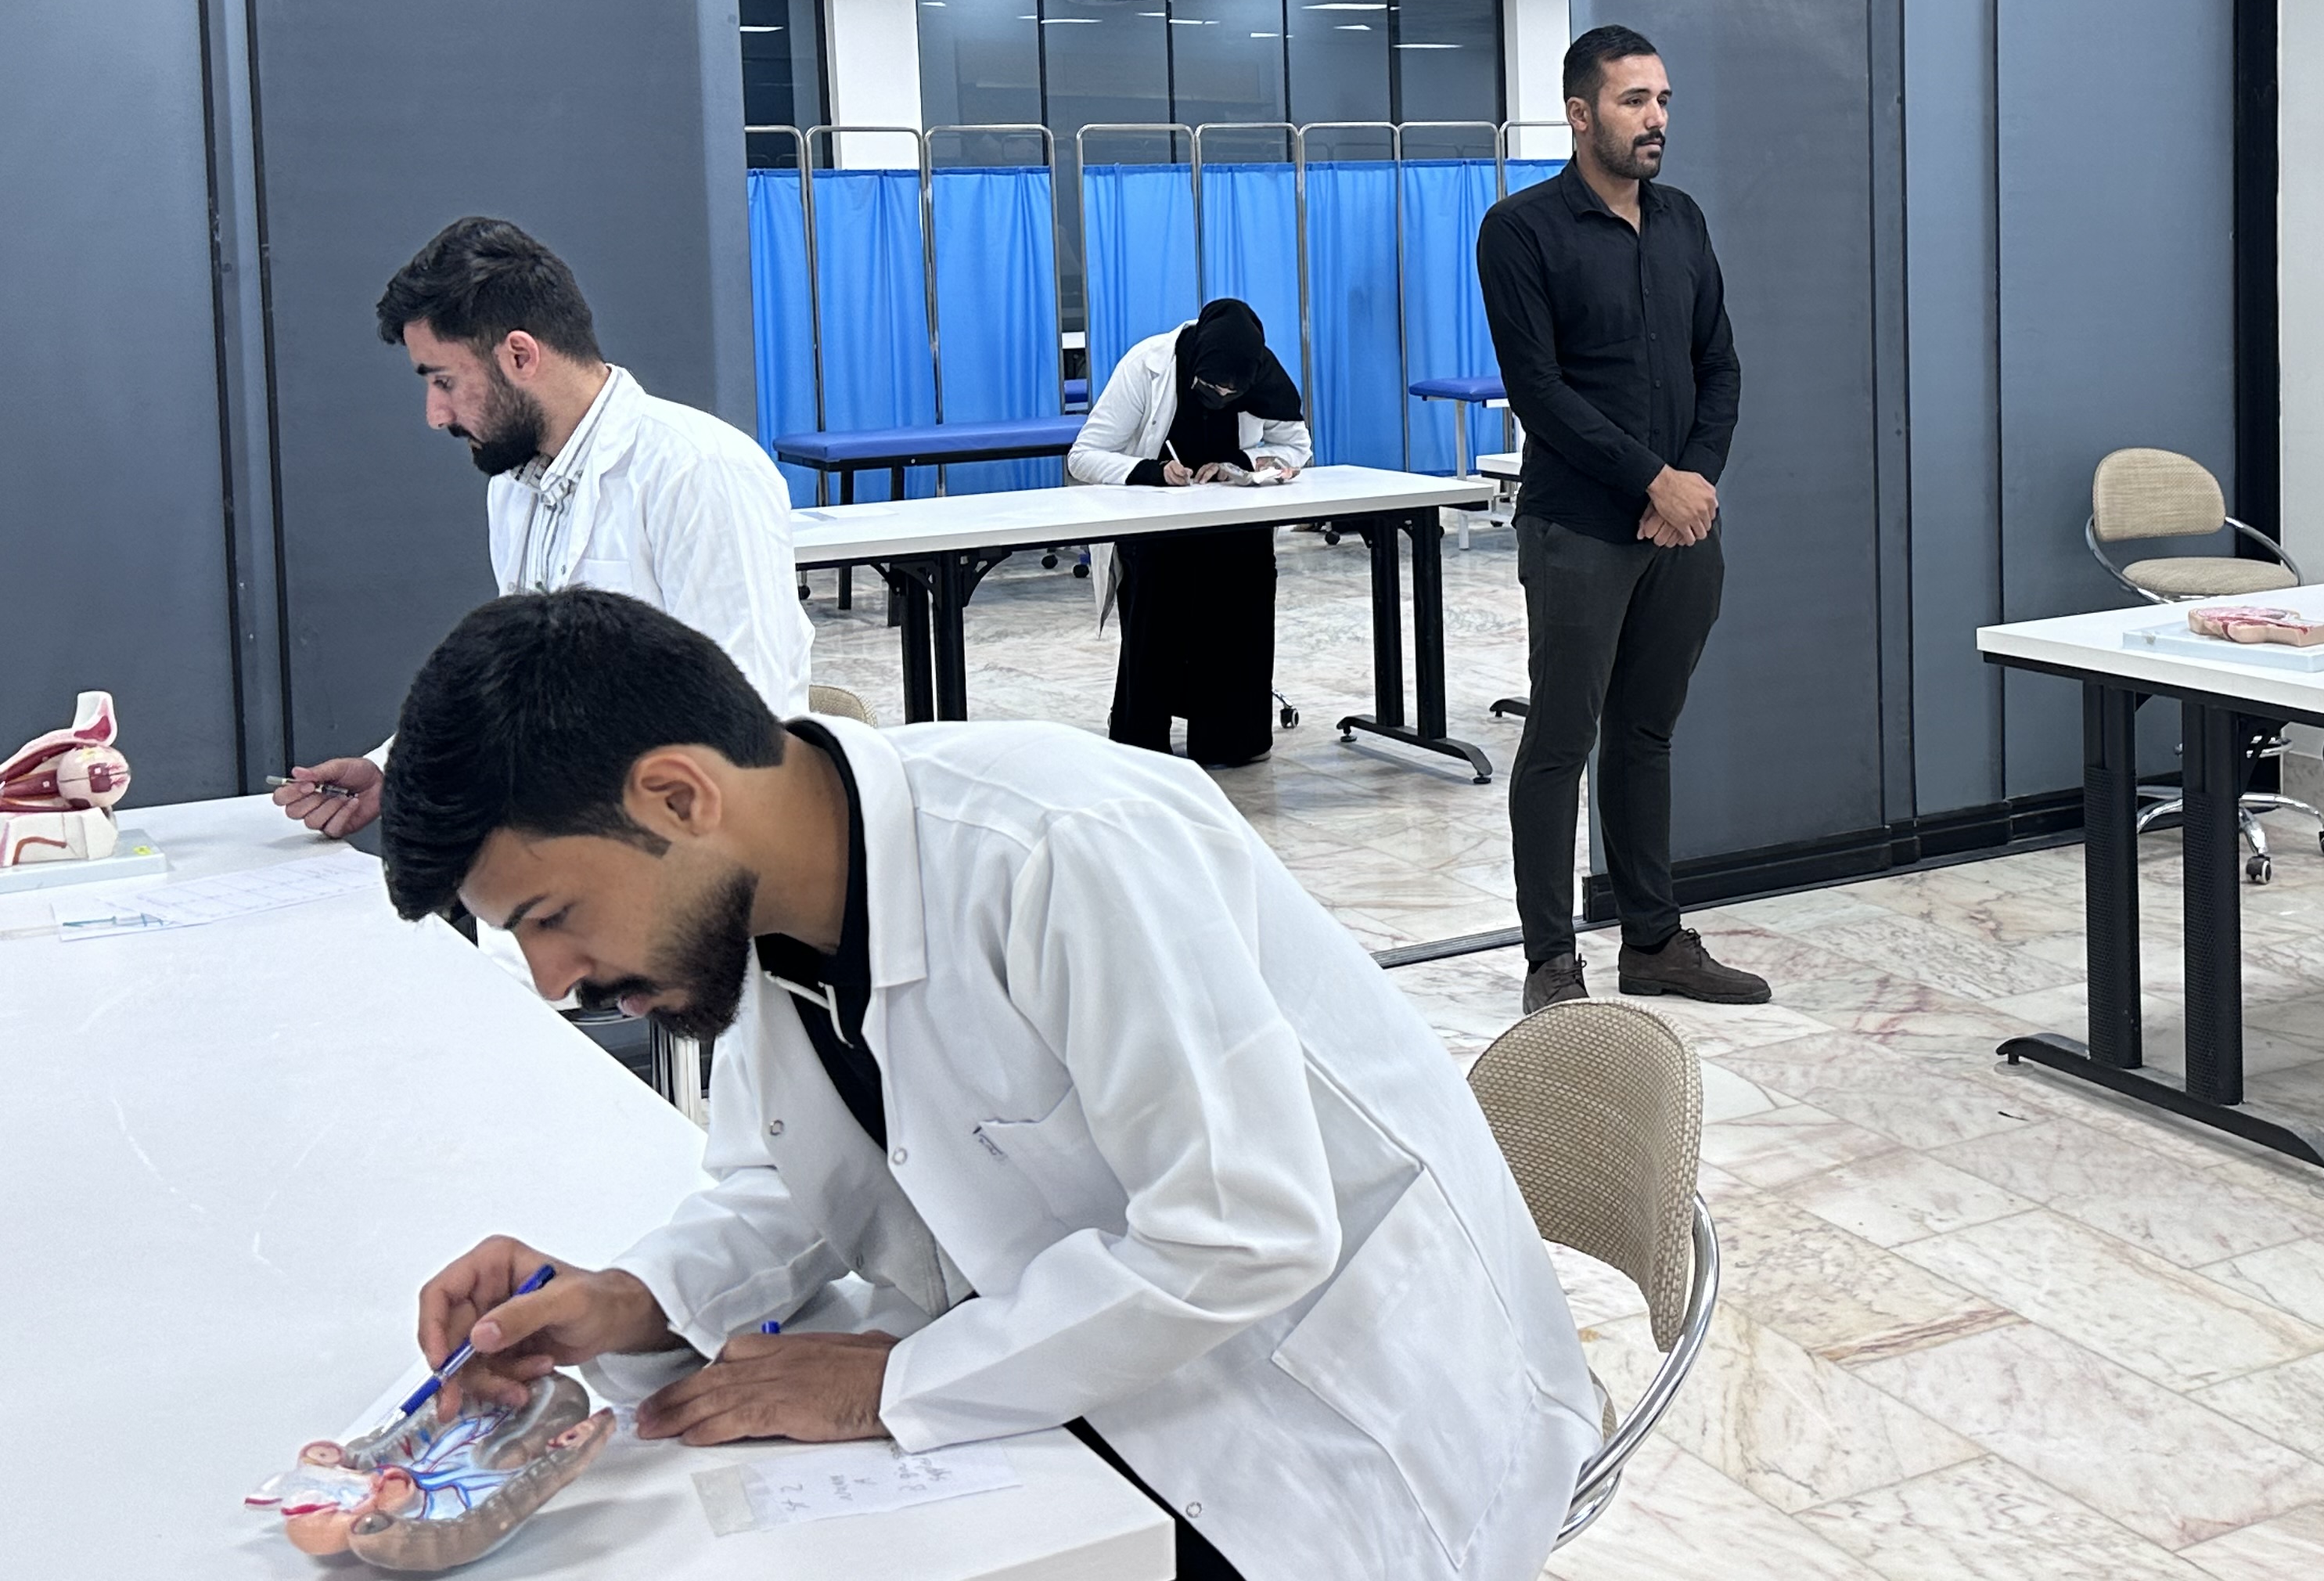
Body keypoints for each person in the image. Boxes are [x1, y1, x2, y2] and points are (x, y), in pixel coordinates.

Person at [379, 589, 1596, 1581]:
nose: (557, 982)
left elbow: (1244, 1236)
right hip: (1095, 1385)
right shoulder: (769, 910)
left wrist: (895, 1385)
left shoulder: (1058, 849)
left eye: (551, 917)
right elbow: (790, 1181)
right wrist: (633, 1299)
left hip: (1331, 1424)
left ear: (680, 798)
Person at [273, 218, 810, 839]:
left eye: (444, 381)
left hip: (684, 856)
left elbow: (747, 719)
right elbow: (518, 684)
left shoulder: (700, 470)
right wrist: (395, 770)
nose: (435, 414)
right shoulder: (515, 486)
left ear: (520, 356)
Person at [1478, 25, 1765, 1017]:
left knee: (1646, 734)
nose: (1656, 120)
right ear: (1580, 113)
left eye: (1664, 101)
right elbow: (1540, 392)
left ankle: (1654, 942)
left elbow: (1719, 366)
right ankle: (1551, 961)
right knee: (1560, 741)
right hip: (1580, 532)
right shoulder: (1520, 230)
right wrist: (1652, 481)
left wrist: (1694, 485)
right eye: (1635, 100)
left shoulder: (1682, 221)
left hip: (1682, 532)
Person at [1065, 298, 1311, 767]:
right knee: (1161, 605)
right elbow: (1084, 455)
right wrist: (1153, 471)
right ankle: (1144, 733)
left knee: (1243, 600)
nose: (1222, 394)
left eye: (1232, 391)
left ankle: (1232, 740)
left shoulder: (1260, 371)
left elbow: (1296, 446)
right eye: (1212, 386)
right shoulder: (1147, 366)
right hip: (1158, 529)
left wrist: (1239, 463)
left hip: (1234, 528)